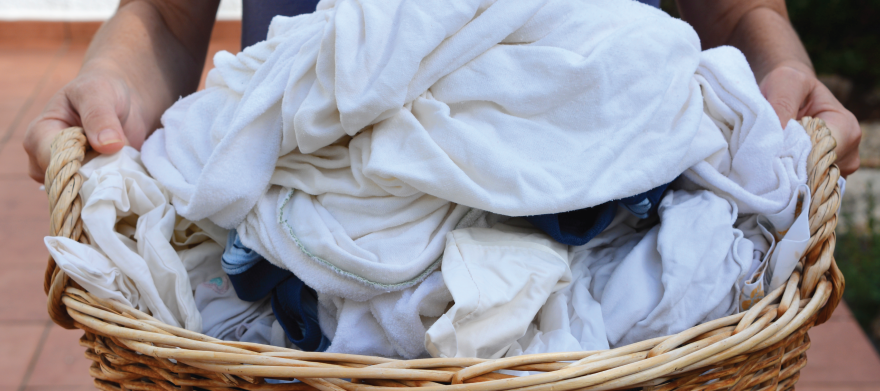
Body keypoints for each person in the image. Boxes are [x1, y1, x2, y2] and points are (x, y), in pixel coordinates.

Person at [22, 0, 861, 184]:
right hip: (305, 323)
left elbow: (737, 10)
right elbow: (166, 22)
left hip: (619, 216)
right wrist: (109, 86)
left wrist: (775, 74)